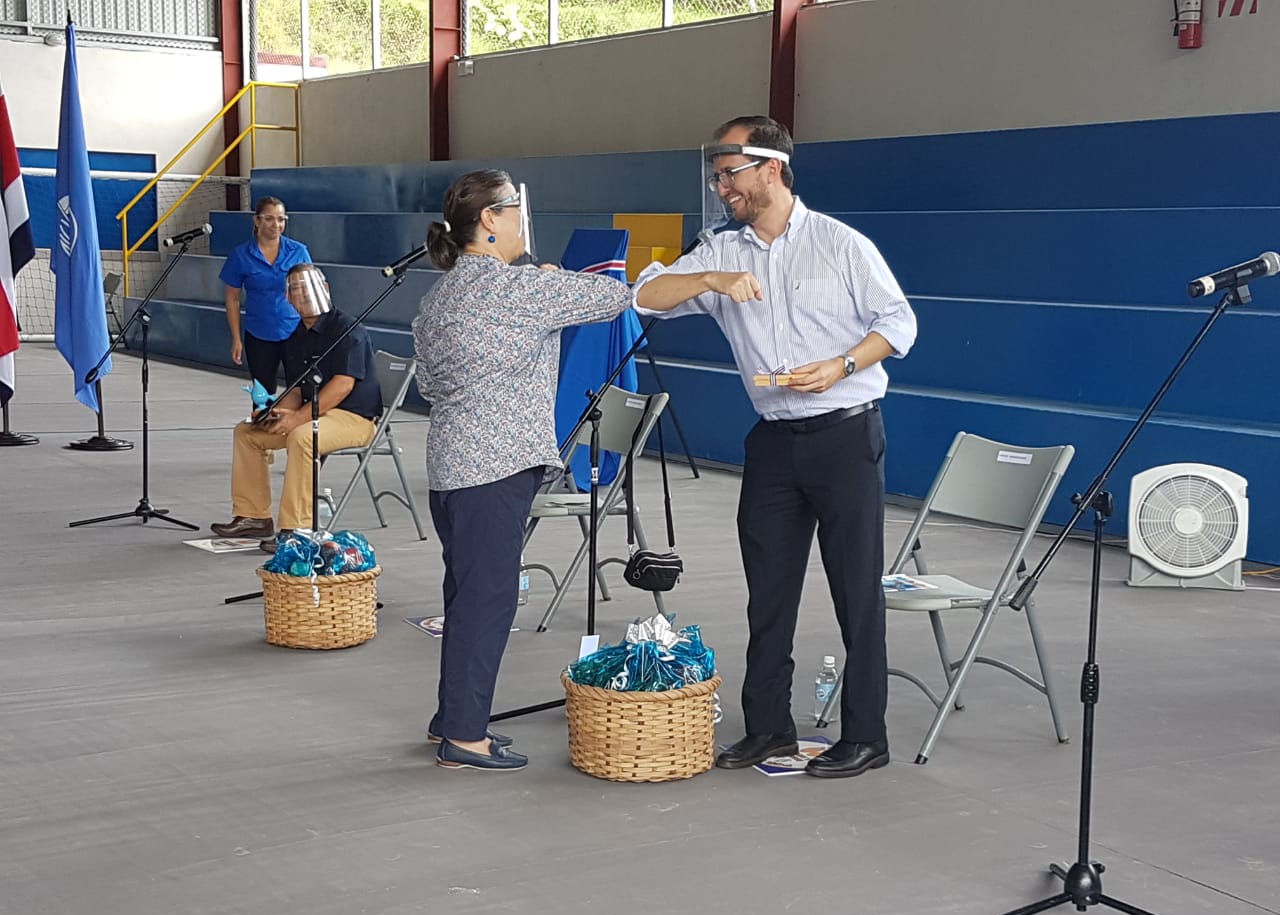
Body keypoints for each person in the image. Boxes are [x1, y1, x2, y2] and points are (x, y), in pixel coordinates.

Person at [633, 116, 918, 780]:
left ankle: (866, 735)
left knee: (856, 591)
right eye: (716, 173)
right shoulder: (720, 250)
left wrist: (842, 365)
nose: (720, 184)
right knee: (768, 593)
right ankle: (768, 729)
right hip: (772, 443)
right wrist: (710, 281)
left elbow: (898, 323)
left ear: (771, 168)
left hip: (846, 431)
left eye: (729, 171)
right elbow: (645, 295)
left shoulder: (841, 245)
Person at [412, 169, 633, 772]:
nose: (520, 221)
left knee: (466, 596)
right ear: (490, 219)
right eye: (514, 209)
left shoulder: (441, 298)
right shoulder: (517, 291)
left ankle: (453, 719)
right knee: (488, 602)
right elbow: (616, 297)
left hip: (449, 465)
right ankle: (464, 736)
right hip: (496, 468)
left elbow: (428, 386)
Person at [211, 264, 382, 553]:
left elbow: (343, 385)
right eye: (294, 288)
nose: (301, 294)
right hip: (315, 412)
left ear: (325, 289)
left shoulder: (348, 329)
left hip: (354, 416)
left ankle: (297, 528)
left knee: (302, 436)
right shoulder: (296, 336)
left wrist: (298, 419)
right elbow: (298, 389)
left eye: (307, 286)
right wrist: (274, 412)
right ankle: (254, 516)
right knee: (247, 433)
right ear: (287, 297)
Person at [219, 196, 312, 393]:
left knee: (300, 391)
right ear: (257, 220)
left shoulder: (299, 251)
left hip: (294, 331)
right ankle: (262, 424)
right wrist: (236, 338)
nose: (276, 224)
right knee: (263, 396)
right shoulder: (240, 255)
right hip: (258, 333)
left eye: (281, 219)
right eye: (269, 218)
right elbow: (232, 299)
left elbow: (309, 293)